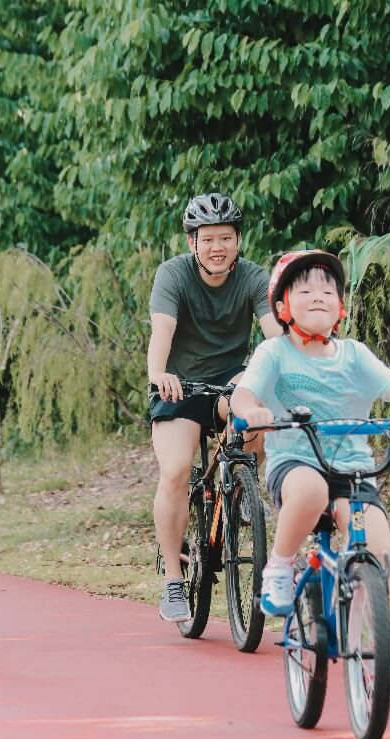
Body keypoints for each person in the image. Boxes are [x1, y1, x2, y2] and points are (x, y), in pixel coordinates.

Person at [230, 249, 390, 684]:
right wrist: (251, 411)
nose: (318, 296)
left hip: (352, 471)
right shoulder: (274, 353)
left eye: (328, 290)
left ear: (341, 307)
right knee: (311, 491)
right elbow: (245, 393)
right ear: (282, 307)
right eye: (305, 290)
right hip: (295, 464)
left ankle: (384, 650)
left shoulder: (354, 355)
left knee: (380, 551)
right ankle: (279, 566)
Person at [148, 192, 283, 622]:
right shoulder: (173, 275)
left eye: (225, 237)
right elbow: (162, 331)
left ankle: (241, 487)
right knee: (175, 470)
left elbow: (275, 334)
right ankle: (173, 581)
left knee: (256, 409)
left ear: (238, 240)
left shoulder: (253, 277)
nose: (217, 247)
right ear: (193, 243)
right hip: (180, 386)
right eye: (207, 239)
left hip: (230, 382)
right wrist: (158, 373)